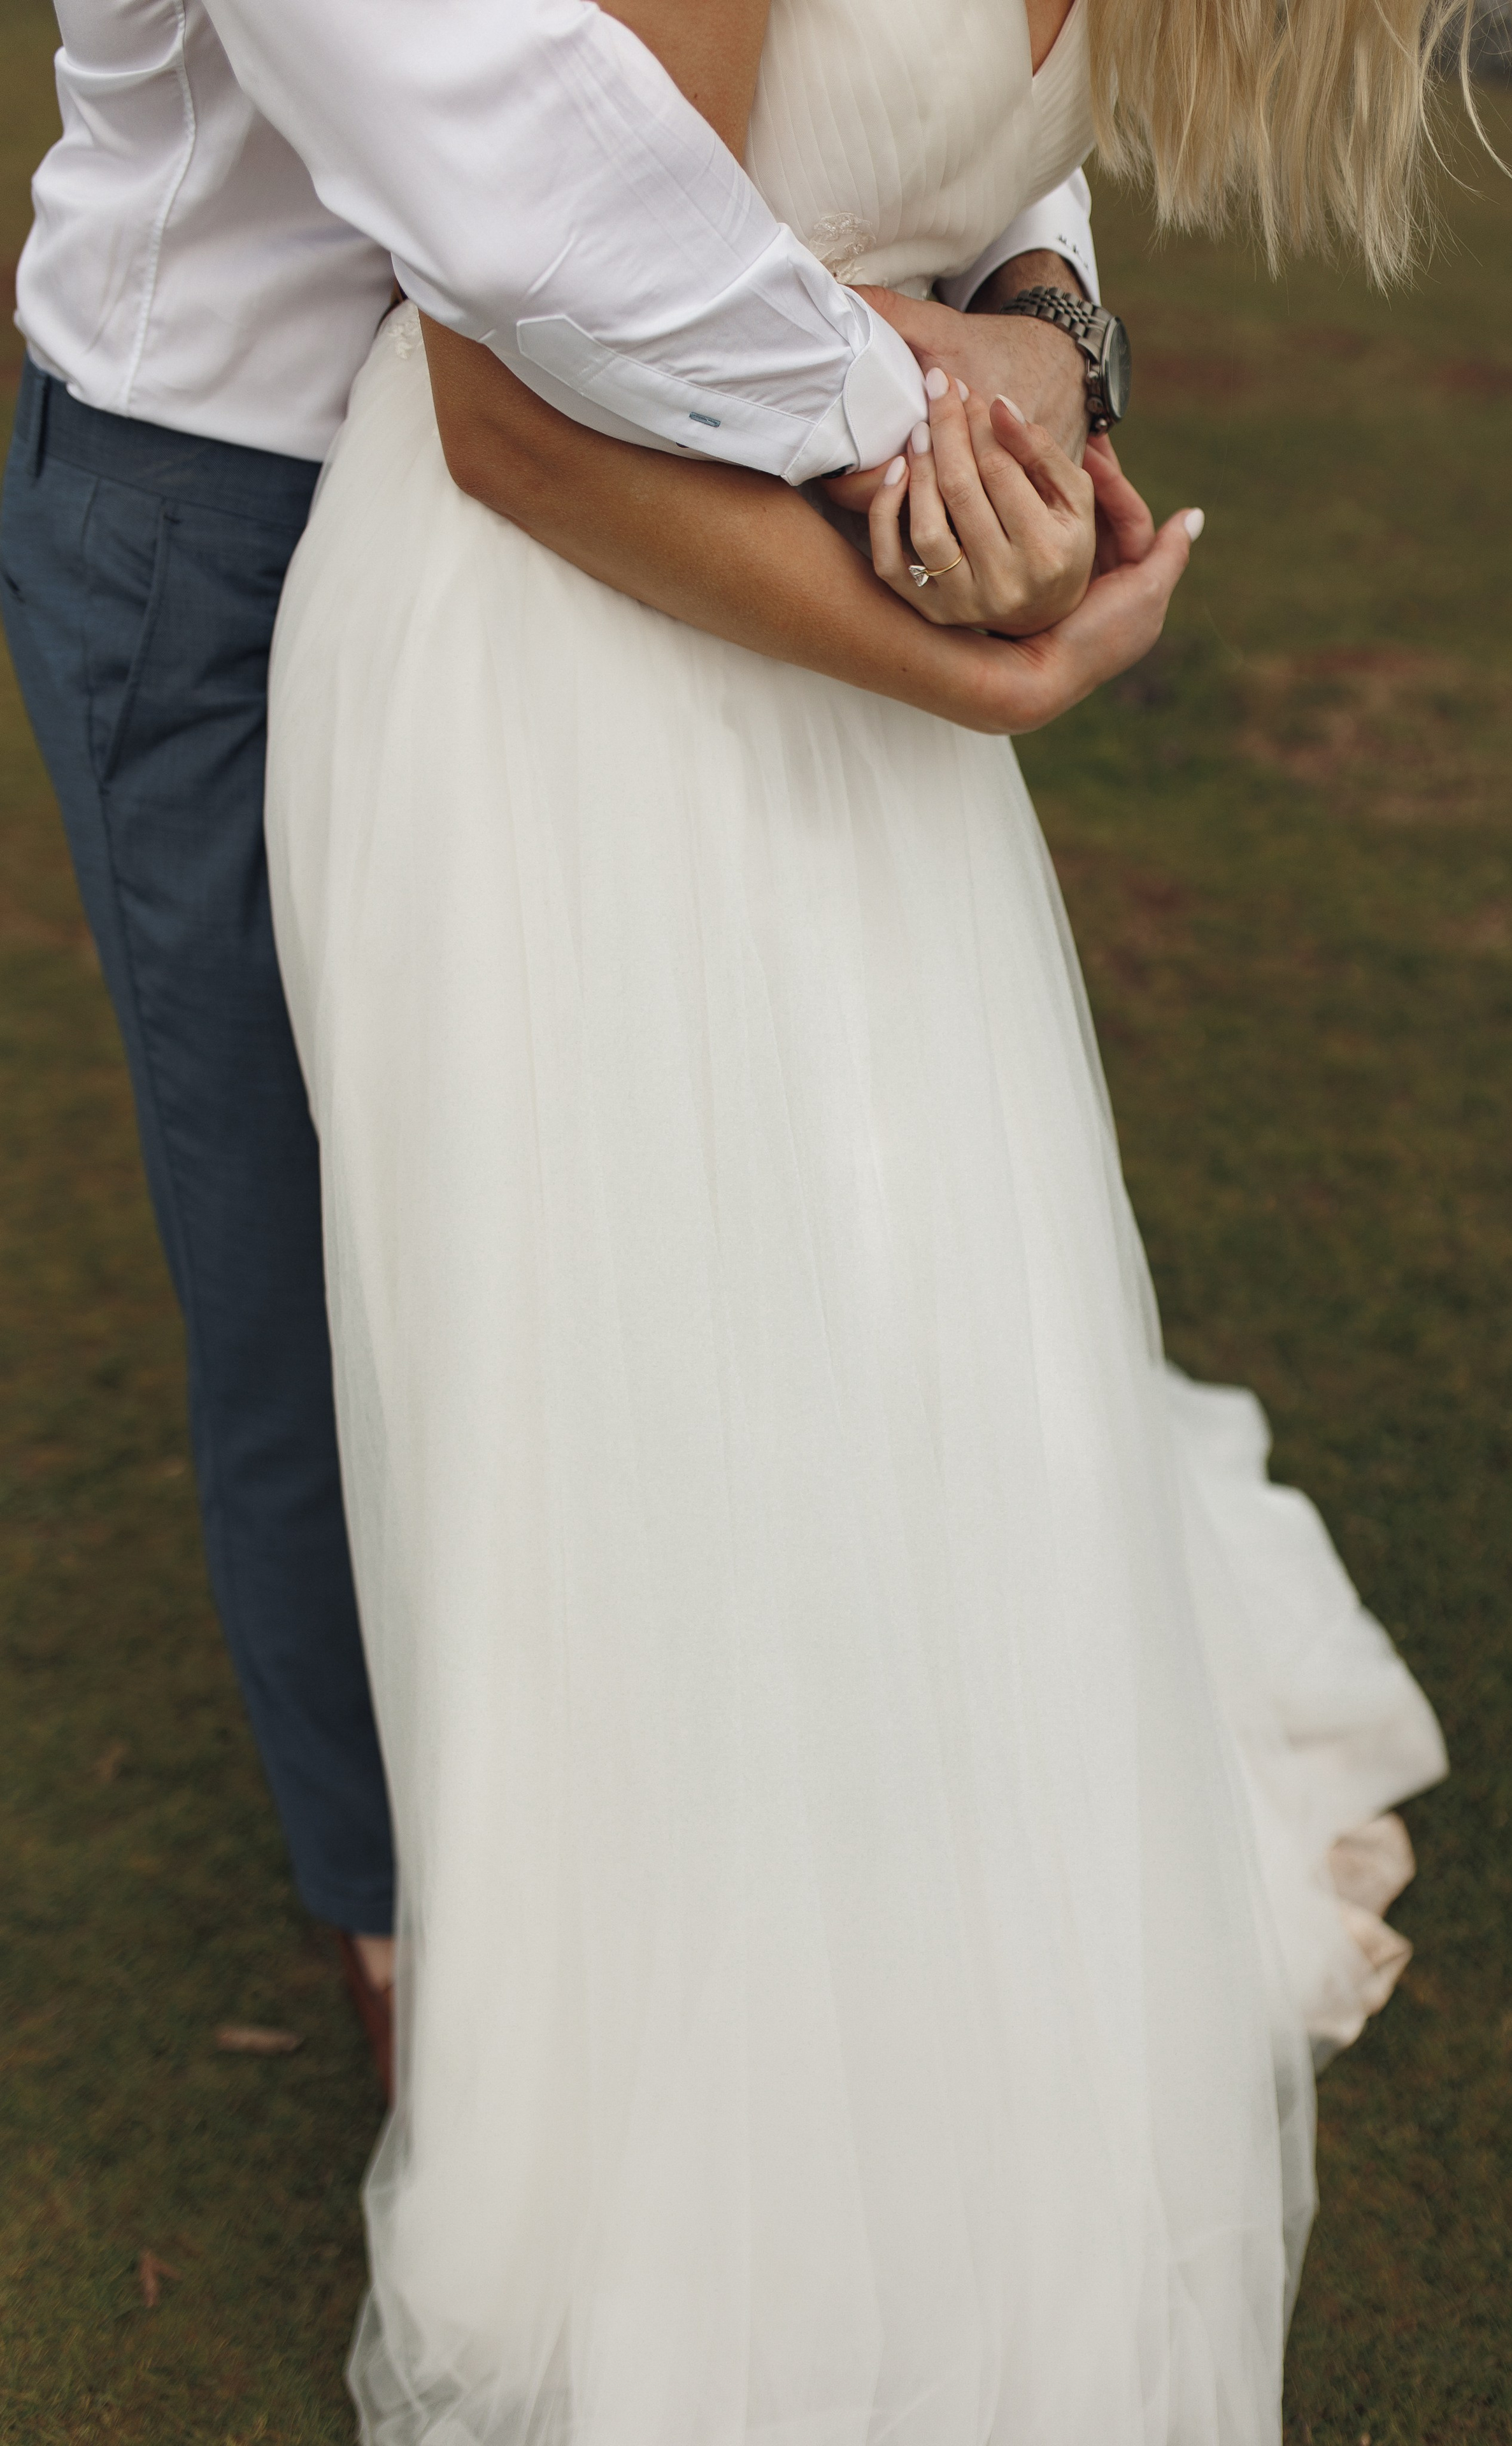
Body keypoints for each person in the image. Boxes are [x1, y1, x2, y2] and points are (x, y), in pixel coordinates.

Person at [266, 0, 1512, 2424]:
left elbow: (983, 235)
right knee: (662, 1446)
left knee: (903, 1378)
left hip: (821, 647)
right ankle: (667, 2153)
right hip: (567, 666)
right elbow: (501, 405)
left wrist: (1044, 391)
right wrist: (976, 651)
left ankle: (898, 2007)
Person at [0, 0, 1104, 2084]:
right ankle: (418, 1940)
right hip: (245, 504)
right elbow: (509, 165)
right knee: (316, 1284)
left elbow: (925, 62)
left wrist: (1040, 315)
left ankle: (684, 1845)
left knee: (684, 1254)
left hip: (663, 486)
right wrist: (941, 417)